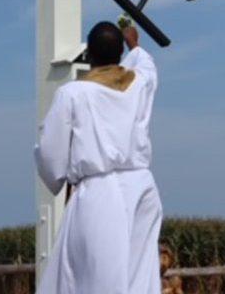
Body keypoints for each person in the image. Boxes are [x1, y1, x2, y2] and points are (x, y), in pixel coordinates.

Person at [35, 21, 162, 294]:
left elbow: (50, 150)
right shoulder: (139, 83)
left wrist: (59, 176)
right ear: (120, 55)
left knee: (96, 280)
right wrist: (134, 43)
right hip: (142, 188)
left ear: (89, 54)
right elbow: (147, 66)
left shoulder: (72, 93)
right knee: (140, 278)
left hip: (99, 192)